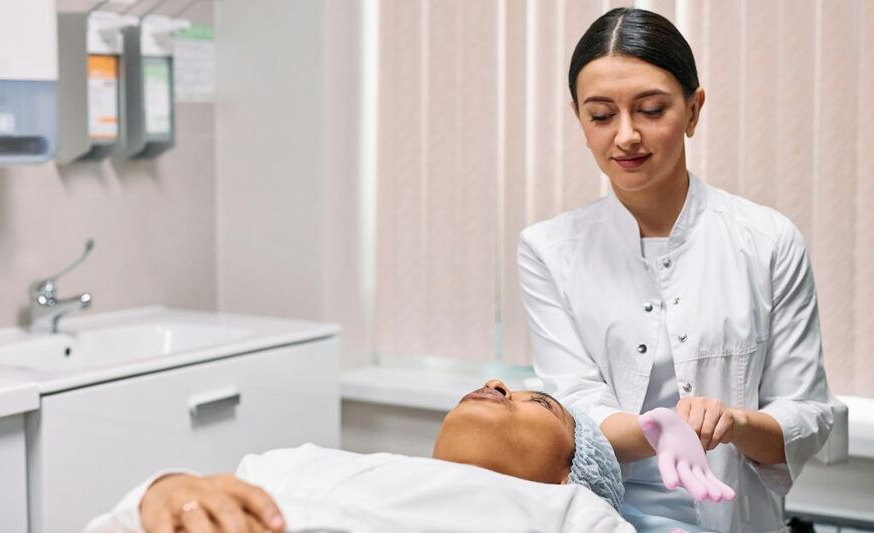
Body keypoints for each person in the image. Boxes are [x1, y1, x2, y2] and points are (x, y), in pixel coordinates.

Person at [518, 7, 836, 532]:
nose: (626, 136)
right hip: (601, 517)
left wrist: (732, 423)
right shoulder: (549, 249)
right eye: (601, 116)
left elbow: (807, 414)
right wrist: (661, 429)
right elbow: (574, 409)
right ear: (579, 119)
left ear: (693, 110)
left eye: (650, 109)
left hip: (732, 515)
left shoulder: (768, 239)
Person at [86, 380, 723, 533]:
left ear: (570, 469)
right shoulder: (302, 460)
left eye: (542, 403)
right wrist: (161, 491)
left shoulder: (570, 514)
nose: (498, 385)